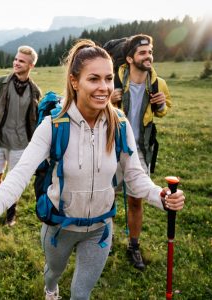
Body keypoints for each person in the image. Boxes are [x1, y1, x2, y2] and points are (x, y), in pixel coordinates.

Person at [0, 39, 185, 299]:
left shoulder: (120, 125)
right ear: (74, 81)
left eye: (108, 78)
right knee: (53, 273)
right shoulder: (53, 126)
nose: (104, 87)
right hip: (59, 228)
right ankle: (51, 290)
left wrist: (161, 196)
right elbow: (19, 176)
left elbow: (135, 177)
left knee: (81, 294)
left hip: (100, 229)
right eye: (94, 79)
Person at [111, 34, 172, 271]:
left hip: (141, 150)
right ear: (129, 58)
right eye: (143, 53)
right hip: (113, 146)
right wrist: (110, 99)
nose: (148, 57)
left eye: (150, 52)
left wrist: (161, 104)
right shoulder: (114, 79)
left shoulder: (158, 83)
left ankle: (133, 245)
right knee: (106, 197)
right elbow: (95, 106)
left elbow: (162, 112)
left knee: (136, 200)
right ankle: (104, 239)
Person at [0, 45, 41, 226]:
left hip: (21, 144)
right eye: (15, 59)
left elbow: (37, 119)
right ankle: (1, 200)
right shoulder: (0, 84)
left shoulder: (35, 91)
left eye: (21, 61)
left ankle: (10, 210)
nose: (16, 63)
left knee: (14, 181)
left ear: (30, 65)